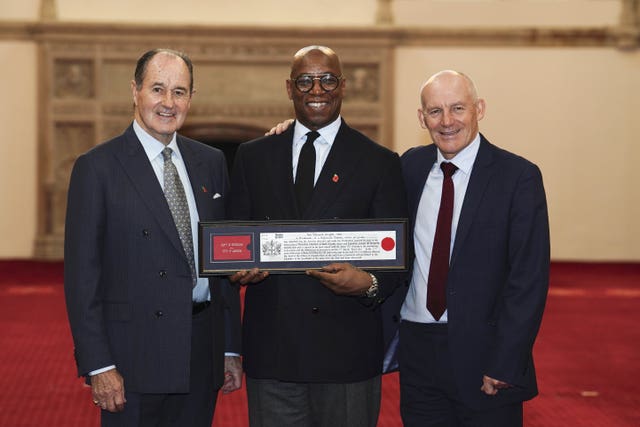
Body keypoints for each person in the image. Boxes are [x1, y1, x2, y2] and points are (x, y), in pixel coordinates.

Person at [227, 45, 408, 427]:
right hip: (273, 355)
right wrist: (235, 270)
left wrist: (368, 283)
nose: (317, 90)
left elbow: (398, 256)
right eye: (305, 80)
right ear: (289, 88)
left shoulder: (379, 162)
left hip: (347, 355)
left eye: (327, 79)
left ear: (342, 86)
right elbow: (233, 238)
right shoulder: (253, 156)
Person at [64, 48, 242, 427]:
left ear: (191, 98)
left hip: (201, 351)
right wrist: (99, 364)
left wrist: (229, 347)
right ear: (135, 91)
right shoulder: (97, 168)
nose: (168, 102)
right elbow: (82, 280)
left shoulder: (211, 162)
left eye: (179, 92)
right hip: (133, 359)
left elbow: (222, 265)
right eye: (157, 89)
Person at [383, 70, 550, 426]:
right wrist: (296, 130)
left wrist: (506, 361)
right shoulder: (408, 168)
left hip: (485, 356)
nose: (447, 121)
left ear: (479, 109)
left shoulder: (518, 177)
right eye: (435, 111)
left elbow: (528, 280)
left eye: (458, 108)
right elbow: (355, 178)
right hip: (417, 349)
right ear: (420, 117)